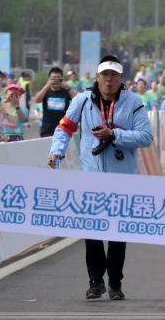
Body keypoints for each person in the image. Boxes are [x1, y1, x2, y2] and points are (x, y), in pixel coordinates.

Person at [49, 55, 153, 301]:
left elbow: (146, 137)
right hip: (91, 176)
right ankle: (95, 281)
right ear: (97, 77)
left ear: (121, 78)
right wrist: (56, 150)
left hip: (122, 178)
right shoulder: (82, 100)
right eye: (104, 75)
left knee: (117, 235)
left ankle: (115, 283)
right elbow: (64, 127)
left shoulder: (134, 102)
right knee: (92, 232)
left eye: (113, 75)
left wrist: (114, 135)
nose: (108, 80)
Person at [34, 67, 76, 138]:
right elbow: (37, 100)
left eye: (58, 78)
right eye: (53, 78)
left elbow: (77, 100)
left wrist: (67, 87)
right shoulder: (46, 91)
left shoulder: (66, 91)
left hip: (63, 129)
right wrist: (47, 85)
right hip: (47, 129)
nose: (55, 81)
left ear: (62, 79)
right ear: (49, 79)